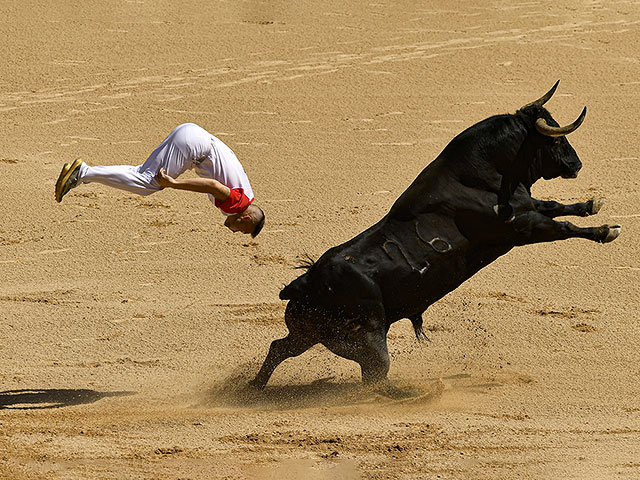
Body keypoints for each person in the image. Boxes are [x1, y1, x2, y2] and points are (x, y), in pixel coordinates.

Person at [55, 123, 265, 237]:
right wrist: (173, 184)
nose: (237, 232)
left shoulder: (247, 192)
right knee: (149, 183)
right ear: (245, 219)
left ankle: (83, 173)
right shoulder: (238, 205)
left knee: (143, 175)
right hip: (194, 147)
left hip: (193, 137)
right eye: (242, 231)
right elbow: (212, 185)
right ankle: (82, 173)